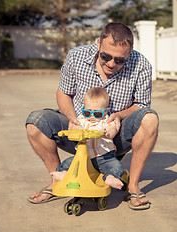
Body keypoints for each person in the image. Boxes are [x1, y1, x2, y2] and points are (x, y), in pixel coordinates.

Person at [26, 22, 159, 210]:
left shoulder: (142, 65)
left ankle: (133, 186)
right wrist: (72, 118)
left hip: (113, 135)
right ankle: (58, 180)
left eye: (119, 60)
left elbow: (142, 104)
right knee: (36, 122)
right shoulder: (76, 56)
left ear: (129, 53)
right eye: (106, 56)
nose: (112, 63)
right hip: (80, 129)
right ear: (98, 44)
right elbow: (63, 93)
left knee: (150, 118)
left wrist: (119, 116)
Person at [50, 87, 125, 190]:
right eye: (87, 112)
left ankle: (110, 177)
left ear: (105, 111)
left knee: (117, 166)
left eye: (97, 113)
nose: (92, 116)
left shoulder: (106, 121)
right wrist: (75, 129)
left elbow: (113, 129)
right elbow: (74, 126)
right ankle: (63, 174)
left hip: (104, 156)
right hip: (84, 155)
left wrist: (107, 134)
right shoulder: (82, 120)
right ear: (83, 109)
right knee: (69, 162)